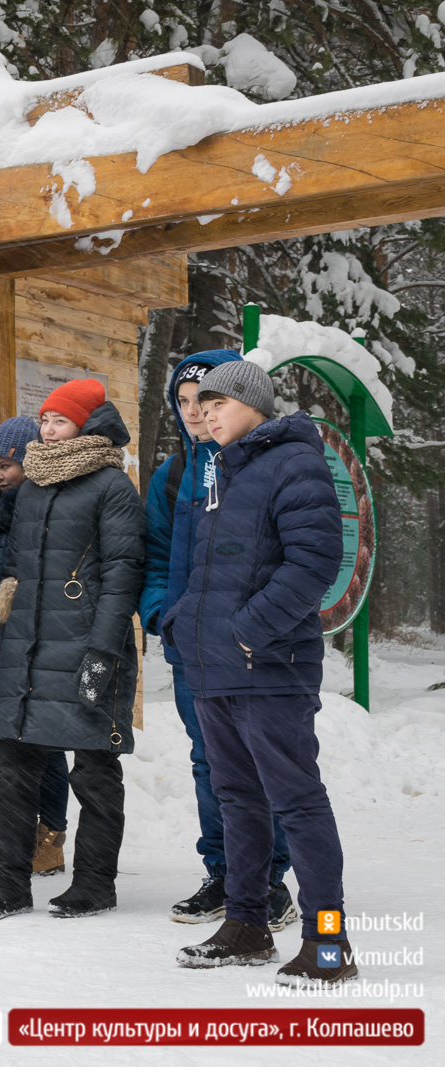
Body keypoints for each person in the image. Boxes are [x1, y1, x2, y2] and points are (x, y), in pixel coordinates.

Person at [167, 361, 353, 987]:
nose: (206, 412)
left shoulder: (296, 462)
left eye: (218, 402)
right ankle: (246, 925)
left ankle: (329, 944)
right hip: (215, 667)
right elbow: (209, 568)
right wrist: (184, 623)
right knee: (239, 800)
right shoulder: (224, 468)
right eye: (199, 403)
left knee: (297, 804)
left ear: (252, 404)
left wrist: (246, 630)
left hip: (272, 667)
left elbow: (315, 563)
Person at [0, 379, 144, 920]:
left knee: (94, 771)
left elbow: (122, 576)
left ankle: (94, 883)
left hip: (88, 646)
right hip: (27, 643)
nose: (46, 429)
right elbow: (13, 577)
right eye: (43, 420)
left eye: (58, 421)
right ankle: (9, 883)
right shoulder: (32, 488)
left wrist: (104, 653)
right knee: (14, 767)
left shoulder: (113, 486)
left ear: (87, 425)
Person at [140, 351, 297, 932]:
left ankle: (270, 880)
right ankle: (224, 874)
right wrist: (163, 614)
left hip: (254, 648)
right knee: (212, 765)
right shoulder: (173, 474)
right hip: (192, 649)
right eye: (182, 404)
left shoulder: (264, 463)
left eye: (204, 401)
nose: (193, 414)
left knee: (263, 764)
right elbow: (155, 557)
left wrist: (254, 624)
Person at [0, 417, 70, 878]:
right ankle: (18, 835)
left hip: (35, 637)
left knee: (43, 744)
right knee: (9, 744)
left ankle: (50, 837)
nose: (0, 474)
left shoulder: (44, 505)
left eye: (8, 464)